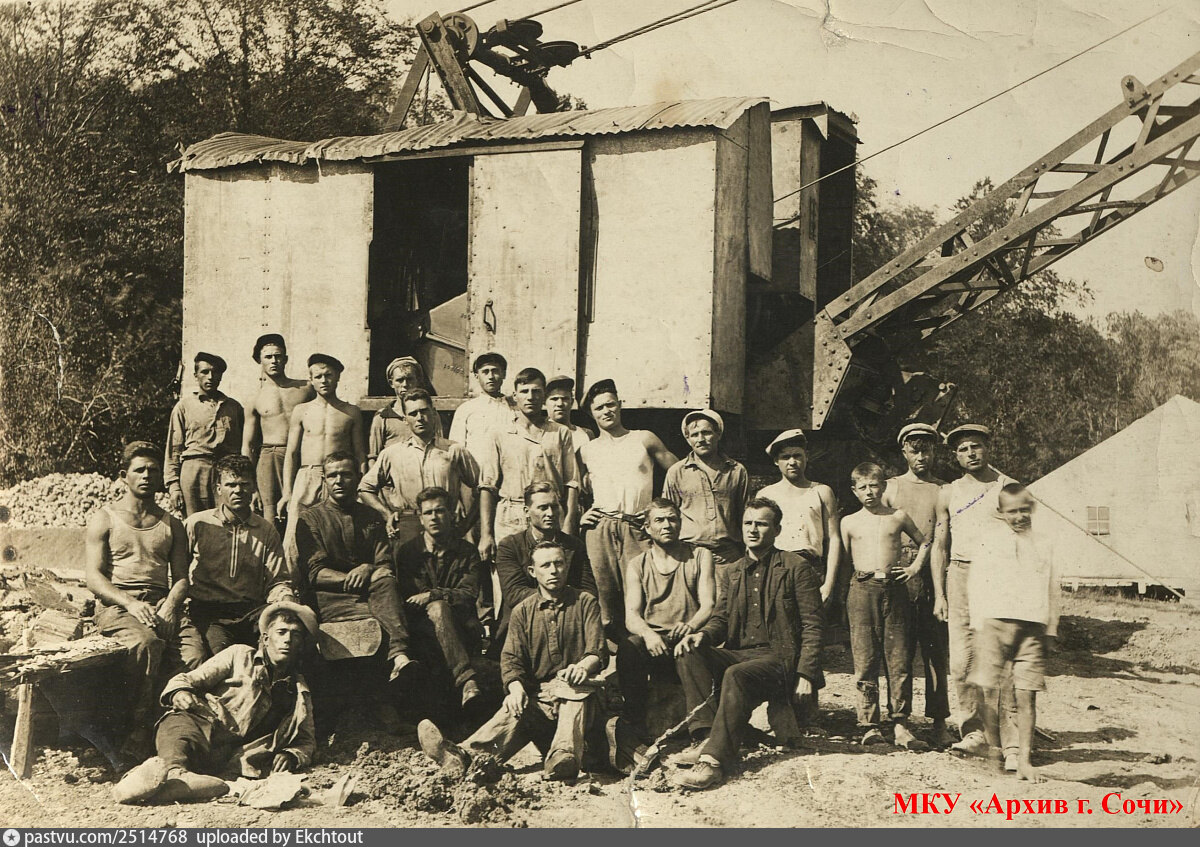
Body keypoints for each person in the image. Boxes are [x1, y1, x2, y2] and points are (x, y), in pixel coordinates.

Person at [416, 540, 607, 781]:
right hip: (544, 702)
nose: (554, 571)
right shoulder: (523, 611)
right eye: (546, 565)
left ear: (566, 566)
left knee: (574, 691)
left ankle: (564, 758)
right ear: (532, 572)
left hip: (584, 704)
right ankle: (463, 757)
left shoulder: (585, 602)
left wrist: (583, 666)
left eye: (559, 564)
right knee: (517, 706)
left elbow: (597, 650)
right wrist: (515, 688)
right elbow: (511, 659)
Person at [673, 498, 824, 790]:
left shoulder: (796, 567)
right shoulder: (733, 571)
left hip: (780, 660)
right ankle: (707, 736)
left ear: (777, 530)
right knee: (689, 652)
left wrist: (806, 674)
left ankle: (713, 763)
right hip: (741, 654)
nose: (752, 530)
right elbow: (721, 619)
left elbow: (813, 625)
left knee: (736, 674)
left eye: (761, 524)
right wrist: (702, 636)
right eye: (748, 523)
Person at [113, 602, 318, 805]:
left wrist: (291, 755)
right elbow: (186, 679)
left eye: (296, 634)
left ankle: (160, 785)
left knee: (198, 769)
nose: (288, 640)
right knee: (179, 722)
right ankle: (175, 774)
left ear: (301, 644)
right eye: (281, 632)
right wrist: (180, 692)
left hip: (232, 755)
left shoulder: (299, 691)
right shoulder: (239, 655)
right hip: (202, 727)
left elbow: (306, 741)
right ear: (266, 638)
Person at [85, 442, 189, 738]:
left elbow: (182, 578)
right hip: (117, 604)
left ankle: (174, 729)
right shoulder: (105, 518)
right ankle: (135, 729)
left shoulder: (173, 524)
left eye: (153, 471)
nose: (146, 476)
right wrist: (130, 603)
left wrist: (170, 606)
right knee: (147, 644)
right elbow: (93, 577)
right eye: (139, 470)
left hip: (160, 603)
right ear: (124, 476)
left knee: (193, 652)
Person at [931, 424, 1019, 763]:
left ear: (987, 448)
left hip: (998, 577)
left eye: (976, 446)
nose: (971, 453)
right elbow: (940, 545)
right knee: (961, 661)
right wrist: (940, 594)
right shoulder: (948, 492)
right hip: (960, 575)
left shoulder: (1007, 487)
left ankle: (1012, 744)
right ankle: (974, 733)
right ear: (955, 456)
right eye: (963, 448)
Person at [295, 452, 416, 683]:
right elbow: (315, 572)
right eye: (333, 476)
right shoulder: (310, 519)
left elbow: (384, 564)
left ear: (358, 478)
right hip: (331, 597)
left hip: (372, 594)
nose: (339, 481)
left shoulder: (371, 516)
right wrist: (355, 577)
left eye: (346, 475)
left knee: (387, 582)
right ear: (324, 480)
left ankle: (399, 656)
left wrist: (367, 568)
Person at [968, 483, 1059, 783]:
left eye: (1023, 510)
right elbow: (977, 581)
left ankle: (1024, 760)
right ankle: (994, 748)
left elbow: (1053, 587)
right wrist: (978, 622)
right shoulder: (990, 541)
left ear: (1032, 508)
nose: (1019, 516)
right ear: (1001, 512)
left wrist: (1051, 629)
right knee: (986, 688)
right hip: (995, 622)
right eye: (1012, 512)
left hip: (1032, 627)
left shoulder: (1044, 542)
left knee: (1026, 695)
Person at [578, 379, 678, 636]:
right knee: (605, 598)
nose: (606, 411)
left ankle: (646, 647)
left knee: (644, 590)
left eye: (610, 404)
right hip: (600, 528)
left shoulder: (643, 438)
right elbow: (575, 488)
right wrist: (582, 514)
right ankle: (612, 653)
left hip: (637, 526)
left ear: (620, 405)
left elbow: (678, 473)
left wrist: (660, 510)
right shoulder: (587, 450)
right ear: (592, 414)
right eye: (599, 408)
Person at [840, 463, 929, 749]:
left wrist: (914, 568)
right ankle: (869, 724)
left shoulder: (897, 516)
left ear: (883, 487)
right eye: (863, 487)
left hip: (895, 589)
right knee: (865, 658)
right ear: (854, 491)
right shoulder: (849, 522)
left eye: (874, 485)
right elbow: (844, 561)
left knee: (899, 658)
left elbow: (925, 542)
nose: (869, 491)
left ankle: (901, 724)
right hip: (862, 589)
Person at [179, 455, 297, 669]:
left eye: (244, 484)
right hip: (210, 612)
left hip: (251, 611)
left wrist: (286, 599)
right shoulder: (197, 524)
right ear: (218, 488)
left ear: (253, 488)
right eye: (231, 485)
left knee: (286, 645)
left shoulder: (265, 530)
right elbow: (177, 571)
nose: (238, 490)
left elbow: (278, 580)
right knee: (223, 659)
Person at [618, 498, 715, 749]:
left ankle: (702, 734)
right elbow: (631, 615)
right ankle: (635, 725)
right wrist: (648, 635)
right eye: (659, 520)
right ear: (647, 527)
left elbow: (708, 604)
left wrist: (691, 626)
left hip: (688, 638)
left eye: (672, 519)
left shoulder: (700, 555)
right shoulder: (637, 564)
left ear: (680, 523)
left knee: (690, 650)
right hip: (656, 643)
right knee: (629, 648)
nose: (667, 525)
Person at [882, 422, 952, 747]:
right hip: (899, 574)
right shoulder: (890, 488)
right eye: (915, 450)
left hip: (934, 573)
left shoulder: (944, 489)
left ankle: (939, 722)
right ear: (904, 452)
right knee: (900, 651)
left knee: (936, 651)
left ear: (934, 451)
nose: (921, 456)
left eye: (927, 450)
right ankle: (900, 723)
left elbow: (942, 538)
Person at [477, 367, 581, 565]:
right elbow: (487, 486)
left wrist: (568, 526)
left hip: (550, 517)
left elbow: (571, 482)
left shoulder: (560, 433)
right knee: (510, 577)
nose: (530, 397)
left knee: (550, 574)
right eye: (524, 391)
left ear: (544, 396)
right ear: (515, 396)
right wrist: (486, 534)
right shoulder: (499, 433)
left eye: (536, 391)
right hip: (511, 516)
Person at [394, 487, 483, 708]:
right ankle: (466, 679)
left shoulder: (467, 551)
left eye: (440, 511)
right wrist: (434, 600)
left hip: (462, 627)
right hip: (423, 630)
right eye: (428, 512)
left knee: (439, 607)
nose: (434, 517)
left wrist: (433, 595)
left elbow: (469, 594)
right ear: (420, 518)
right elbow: (410, 600)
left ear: (451, 514)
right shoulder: (408, 553)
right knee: (437, 609)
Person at [359, 388, 478, 550]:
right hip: (409, 524)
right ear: (405, 419)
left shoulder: (454, 450)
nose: (420, 418)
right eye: (413, 414)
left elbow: (482, 488)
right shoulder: (392, 454)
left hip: (445, 524)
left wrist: (466, 525)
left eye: (424, 411)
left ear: (434, 413)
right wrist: (386, 513)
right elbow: (365, 488)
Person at [280, 353, 367, 570]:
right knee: (296, 532)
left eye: (328, 375)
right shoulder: (302, 411)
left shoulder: (351, 412)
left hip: (338, 476)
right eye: (318, 376)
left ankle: (334, 580)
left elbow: (360, 454)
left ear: (338, 377)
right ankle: (294, 582)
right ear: (311, 379)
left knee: (336, 530)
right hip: (307, 475)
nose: (324, 380)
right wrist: (287, 492)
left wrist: (360, 487)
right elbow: (291, 453)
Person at [494, 482, 597, 644]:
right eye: (543, 508)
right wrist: (559, 597)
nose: (550, 513)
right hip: (525, 622)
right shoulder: (510, 546)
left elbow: (588, 590)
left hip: (568, 621)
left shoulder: (574, 545)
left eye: (554, 507)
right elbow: (514, 593)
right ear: (527, 512)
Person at [662, 409, 749, 584]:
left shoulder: (736, 470)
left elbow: (745, 514)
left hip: (727, 556)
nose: (701, 439)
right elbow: (669, 516)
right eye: (694, 435)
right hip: (689, 556)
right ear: (688, 439)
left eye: (706, 432)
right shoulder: (676, 472)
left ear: (718, 434)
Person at [756, 429, 842, 603]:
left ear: (806, 457)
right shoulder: (766, 495)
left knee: (811, 618)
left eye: (797, 456)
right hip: (776, 568)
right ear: (776, 461)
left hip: (811, 568)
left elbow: (834, 539)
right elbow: (758, 539)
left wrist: (828, 584)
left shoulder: (821, 491)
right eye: (785, 457)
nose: (792, 462)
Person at [241, 334, 314, 524]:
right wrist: (250, 484)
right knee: (270, 514)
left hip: (302, 455)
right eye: (268, 357)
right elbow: (248, 445)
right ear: (259, 360)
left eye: (278, 356)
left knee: (305, 510)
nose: (274, 361)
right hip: (270, 456)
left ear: (286, 359)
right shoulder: (255, 398)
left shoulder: (305, 389)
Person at [165, 352, 244, 516]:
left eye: (215, 372)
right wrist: (174, 486)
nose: (210, 377)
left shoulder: (234, 408)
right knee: (195, 522)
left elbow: (245, 446)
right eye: (204, 372)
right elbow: (173, 450)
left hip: (225, 472)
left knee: (227, 520)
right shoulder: (184, 407)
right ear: (196, 376)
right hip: (194, 471)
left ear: (221, 376)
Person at [368, 357, 443, 463]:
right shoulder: (382, 417)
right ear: (391, 383)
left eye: (410, 379)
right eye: (399, 380)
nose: (405, 385)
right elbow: (373, 457)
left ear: (418, 380)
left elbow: (440, 450)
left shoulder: (430, 415)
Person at [448, 352, 513, 461]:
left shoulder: (514, 408)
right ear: (476, 376)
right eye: (485, 372)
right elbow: (457, 450)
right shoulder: (465, 410)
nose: (491, 377)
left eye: (495, 371)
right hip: (477, 470)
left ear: (504, 374)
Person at [545, 374, 593, 458]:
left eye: (565, 399)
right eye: (554, 399)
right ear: (544, 402)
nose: (560, 404)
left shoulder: (586, 434)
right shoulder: (539, 434)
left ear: (572, 402)